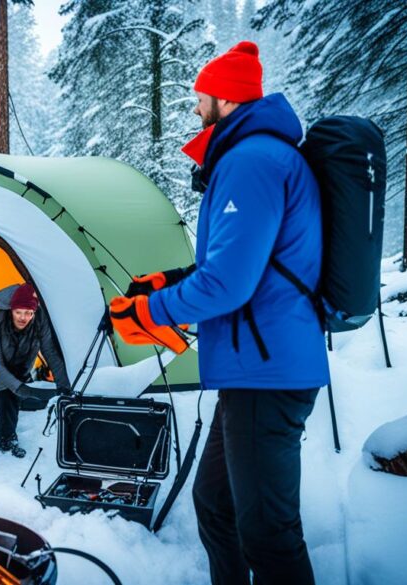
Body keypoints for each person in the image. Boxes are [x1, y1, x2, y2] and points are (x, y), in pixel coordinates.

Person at [117, 42, 329, 585]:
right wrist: (168, 282)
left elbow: (229, 285)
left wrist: (151, 309)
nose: (195, 107)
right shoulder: (252, 155)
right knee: (215, 503)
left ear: (226, 99)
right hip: (250, 370)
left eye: (201, 96)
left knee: (267, 531)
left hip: (267, 373)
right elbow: (242, 266)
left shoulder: (253, 159)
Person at [0, 283, 71, 458]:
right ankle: (7, 439)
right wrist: (22, 388)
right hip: (1, 355)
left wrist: (64, 385)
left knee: (16, 388)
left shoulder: (40, 317)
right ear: (11, 309)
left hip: (24, 354)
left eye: (28, 313)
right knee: (7, 394)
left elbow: (50, 352)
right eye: (19, 312)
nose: (23, 317)